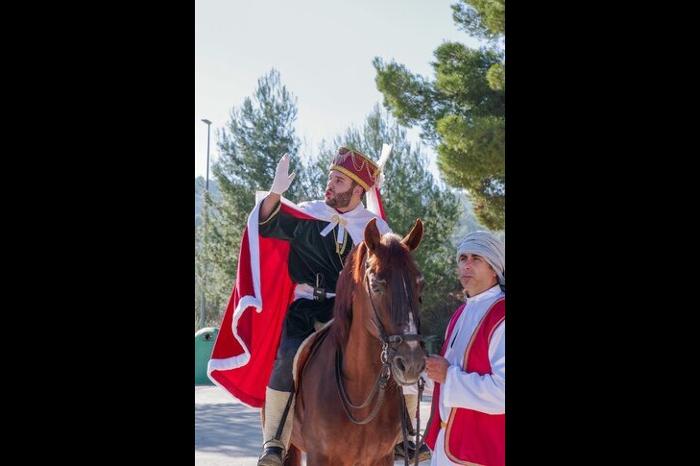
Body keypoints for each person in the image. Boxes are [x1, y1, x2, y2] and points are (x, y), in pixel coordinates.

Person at [207, 147, 392, 466]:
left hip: (351, 312)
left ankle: (400, 436)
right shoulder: (310, 213)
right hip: (307, 308)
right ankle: (275, 441)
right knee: (286, 357)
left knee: (394, 356)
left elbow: (392, 270)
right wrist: (274, 194)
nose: (329, 185)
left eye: (337, 180)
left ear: (357, 189)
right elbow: (265, 223)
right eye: (330, 178)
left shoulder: (375, 228)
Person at [423, 231, 505, 466]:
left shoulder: (501, 315)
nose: (466, 265)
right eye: (463, 258)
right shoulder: (460, 313)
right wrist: (419, 374)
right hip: (447, 447)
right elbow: (445, 377)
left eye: (476, 258)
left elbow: (502, 393)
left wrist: (448, 376)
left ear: (494, 268)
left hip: (482, 453)